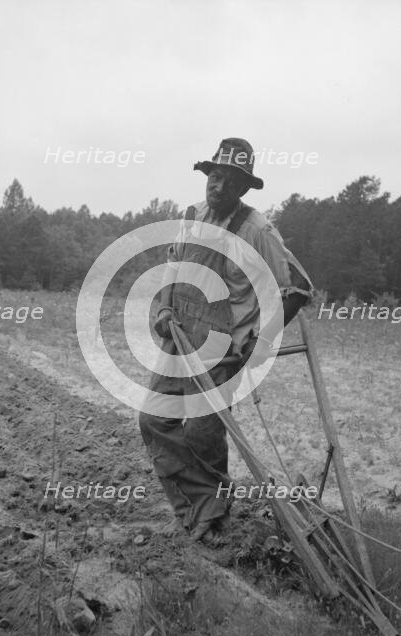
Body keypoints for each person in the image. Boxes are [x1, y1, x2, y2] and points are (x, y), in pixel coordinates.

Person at [138, 138, 313, 545]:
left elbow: (298, 289)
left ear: (243, 189)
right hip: (180, 337)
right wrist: (164, 307)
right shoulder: (192, 216)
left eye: (230, 182)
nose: (218, 188)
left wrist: (260, 341)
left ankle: (213, 517)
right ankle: (197, 507)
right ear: (207, 176)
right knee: (152, 420)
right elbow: (174, 265)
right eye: (215, 177)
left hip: (223, 348)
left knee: (202, 431)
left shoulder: (258, 229)